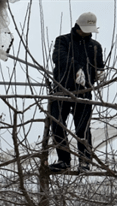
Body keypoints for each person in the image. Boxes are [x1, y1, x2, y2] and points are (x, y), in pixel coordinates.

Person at [49, 12, 105, 174]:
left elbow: (98, 66)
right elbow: (59, 57)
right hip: (61, 90)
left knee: (83, 128)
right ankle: (63, 161)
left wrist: (99, 73)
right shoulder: (63, 41)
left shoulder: (95, 46)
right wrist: (76, 69)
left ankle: (85, 162)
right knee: (58, 125)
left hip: (84, 92)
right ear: (78, 26)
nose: (88, 32)